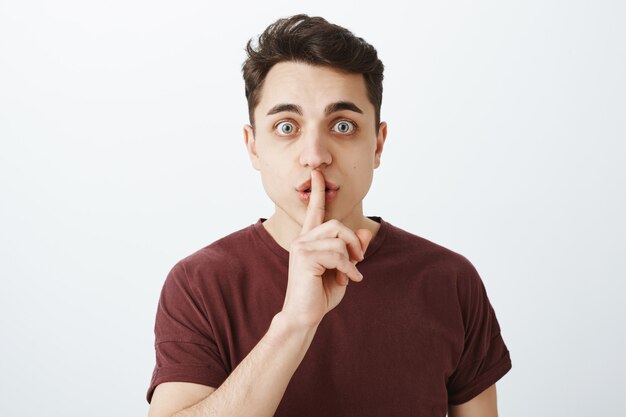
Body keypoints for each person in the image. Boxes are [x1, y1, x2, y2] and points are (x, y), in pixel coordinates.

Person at [146, 13, 511, 417]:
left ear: (378, 144)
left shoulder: (449, 280)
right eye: (287, 127)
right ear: (253, 147)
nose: (315, 156)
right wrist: (294, 324)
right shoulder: (200, 283)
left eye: (342, 125)